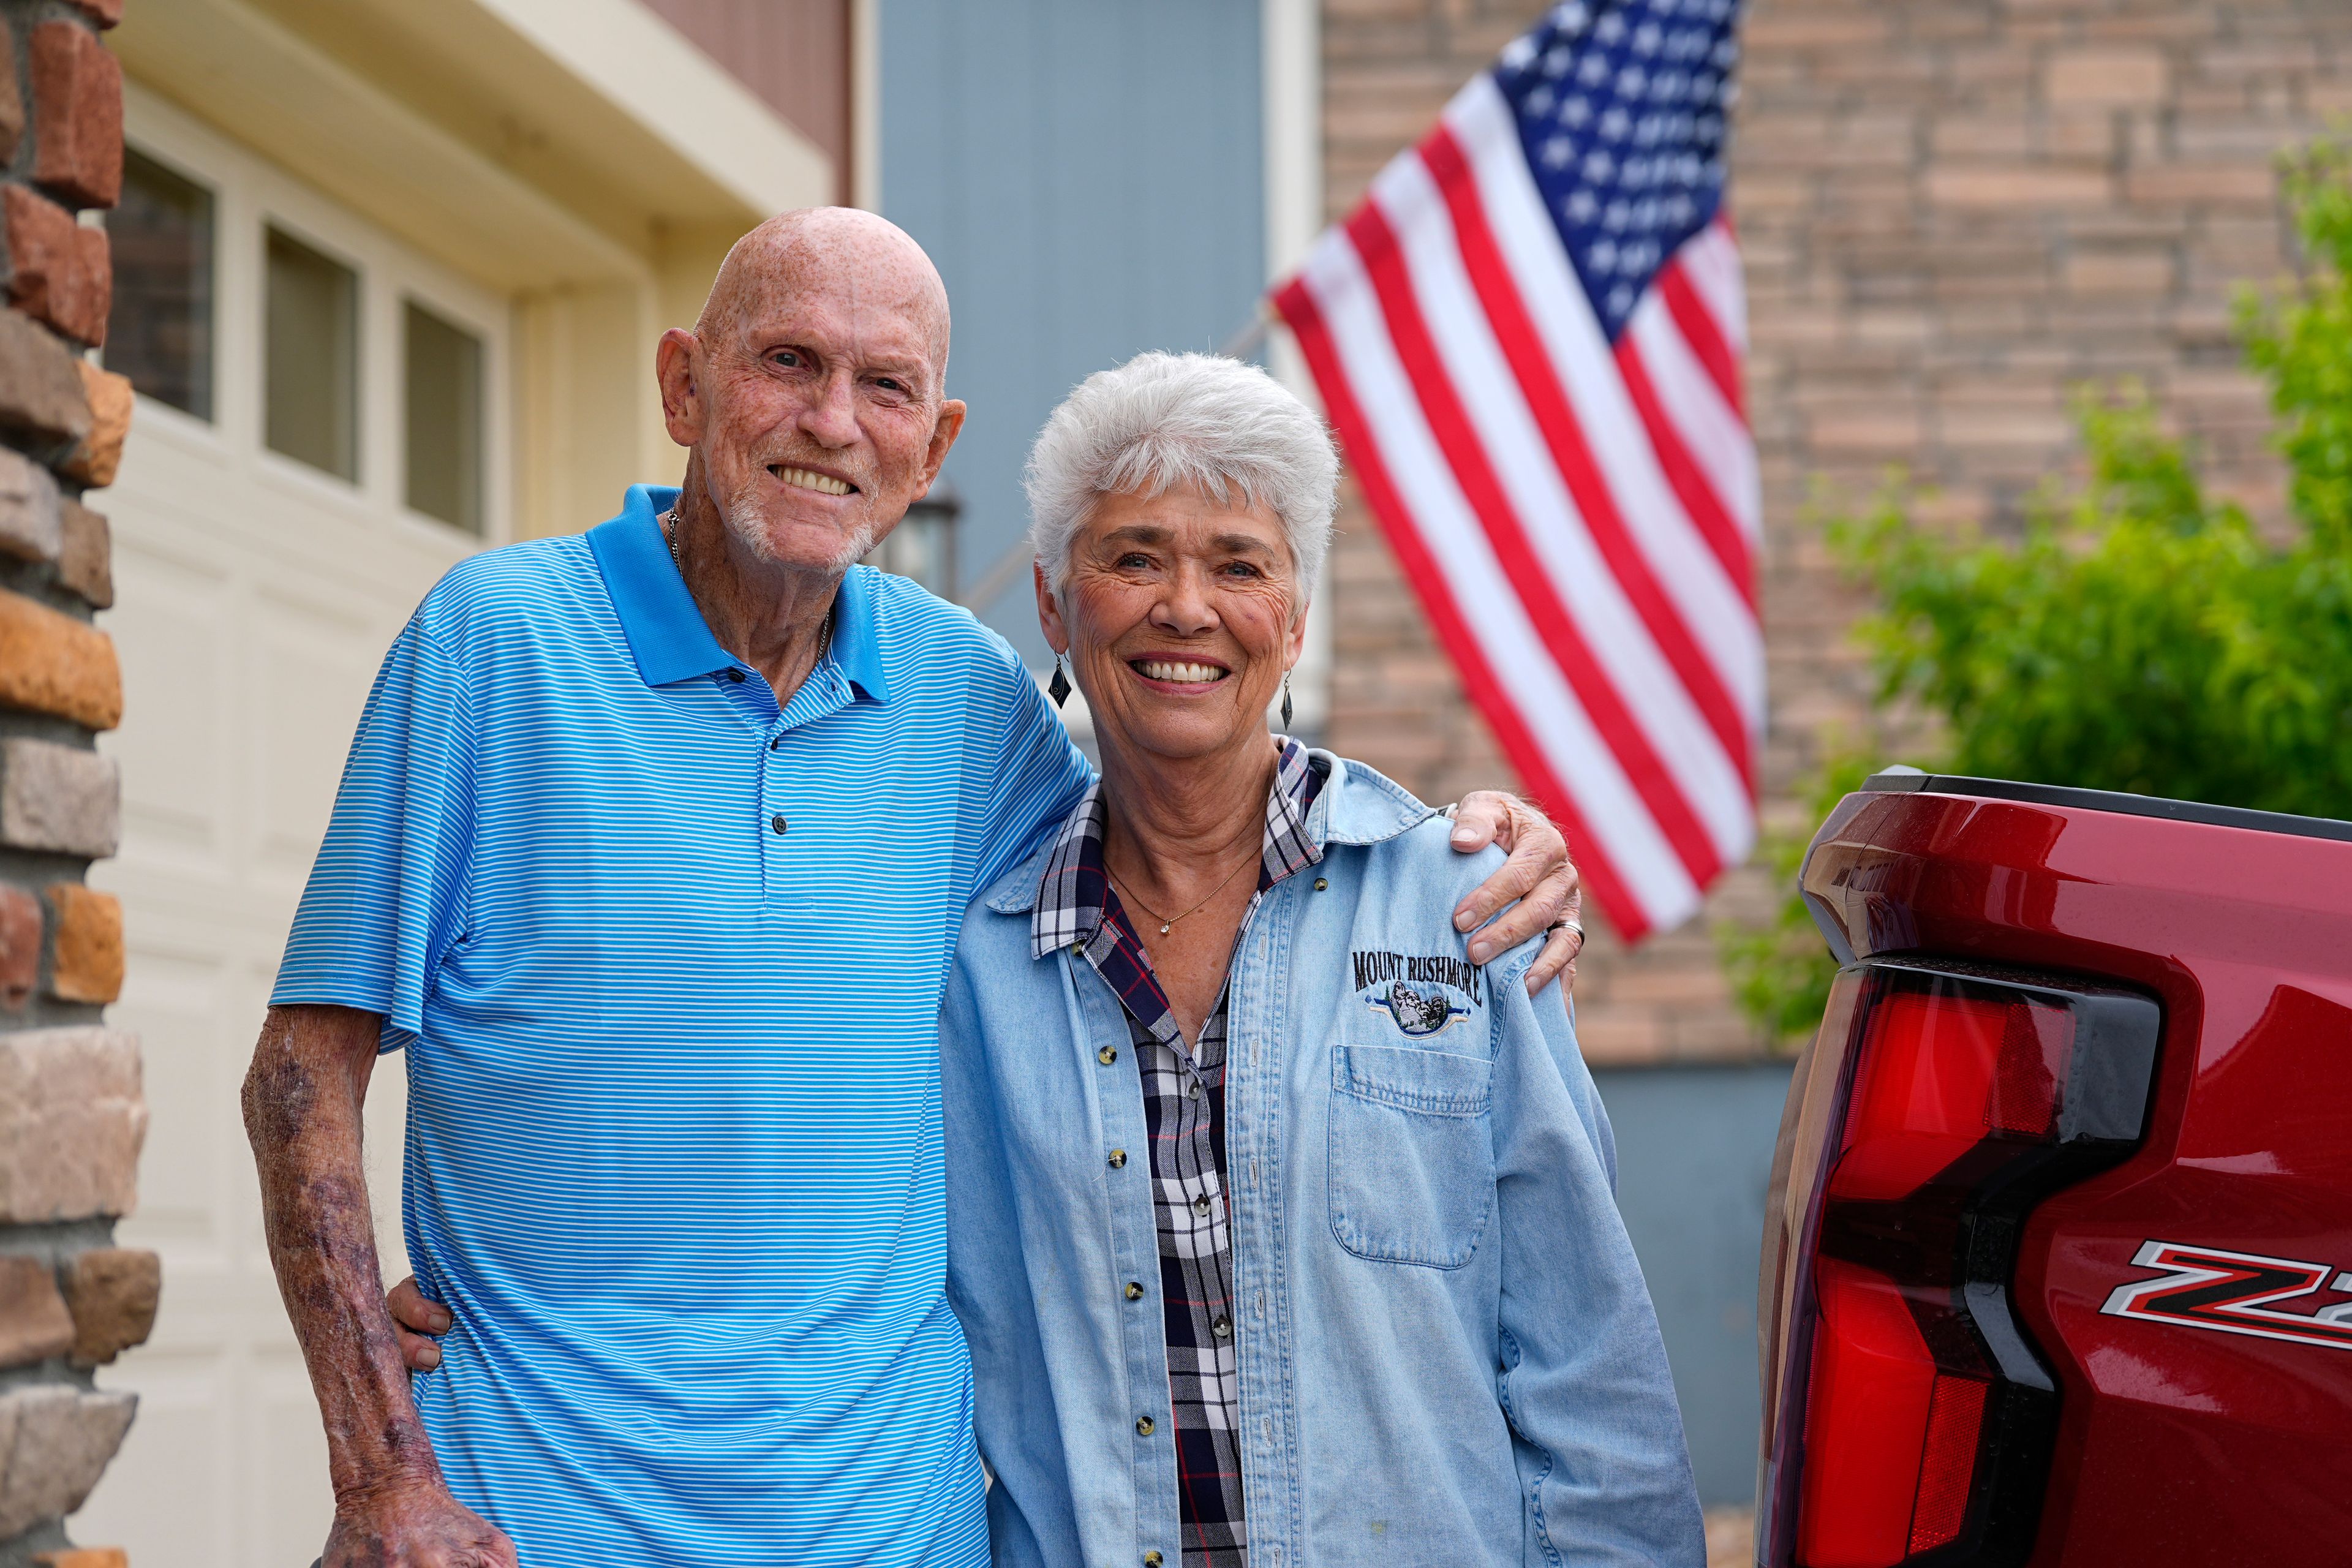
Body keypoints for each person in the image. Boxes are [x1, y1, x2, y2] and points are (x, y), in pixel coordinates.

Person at [247, 208, 1583, 1568]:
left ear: (931, 445)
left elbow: (1193, 837)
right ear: (683, 386)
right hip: (534, 1519)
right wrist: (379, 1469)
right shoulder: (496, 643)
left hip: (897, 1530)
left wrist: (1456, 848)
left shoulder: (964, 700)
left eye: (883, 385)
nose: (833, 421)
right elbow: (297, 1075)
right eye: (787, 361)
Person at [937, 352, 1703, 1566]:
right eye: (1134, 555)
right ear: (1053, 603)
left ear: (1295, 618)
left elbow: (1587, 1368)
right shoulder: (976, 968)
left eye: (1238, 563)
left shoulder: (1465, 907)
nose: (1184, 605)